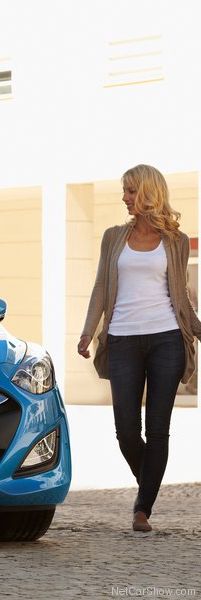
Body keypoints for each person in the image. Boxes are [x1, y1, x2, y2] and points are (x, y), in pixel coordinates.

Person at [78, 164, 201, 533]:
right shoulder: (113, 237)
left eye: (131, 191)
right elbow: (101, 287)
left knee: (158, 428)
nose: (125, 198)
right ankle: (149, 479)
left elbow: (181, 297)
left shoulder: (176, 241)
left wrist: (197, 330)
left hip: (167, 339)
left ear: (149, 192)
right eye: (125, 191)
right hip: (122, 340)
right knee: (126, 431)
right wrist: (87, 332)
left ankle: (142, 508)